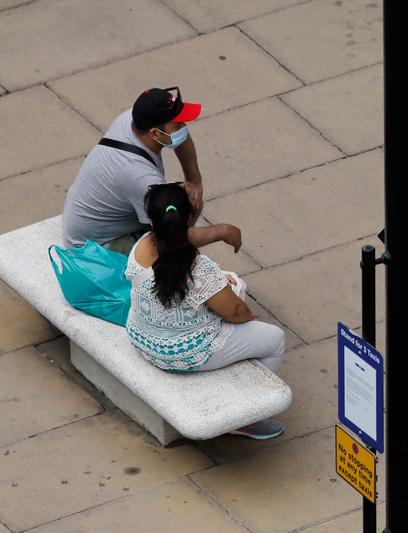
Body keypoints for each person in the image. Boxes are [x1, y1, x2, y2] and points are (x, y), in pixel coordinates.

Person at [125, 183, 286, 440]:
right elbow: (235, 311)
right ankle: (244, 417)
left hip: (143, 340)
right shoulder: (200, 270)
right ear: (188, 219)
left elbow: (176, 238)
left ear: (152, 223)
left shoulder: (140, 247)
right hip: (188, 353)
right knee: (274, 339)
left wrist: (221, 232)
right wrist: (247, 317)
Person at [62, 86, 241, 255]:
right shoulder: (141, 178)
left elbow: (180, 138)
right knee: (172, 238)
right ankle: (180, 261)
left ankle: (183, 249)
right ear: (155, 134)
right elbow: (171, 236)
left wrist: (194, 179)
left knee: (184, 202)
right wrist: (222, 231)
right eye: (177, 126)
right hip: (94, 249)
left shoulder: (134, 120)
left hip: (88, 221)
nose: (184, 127)